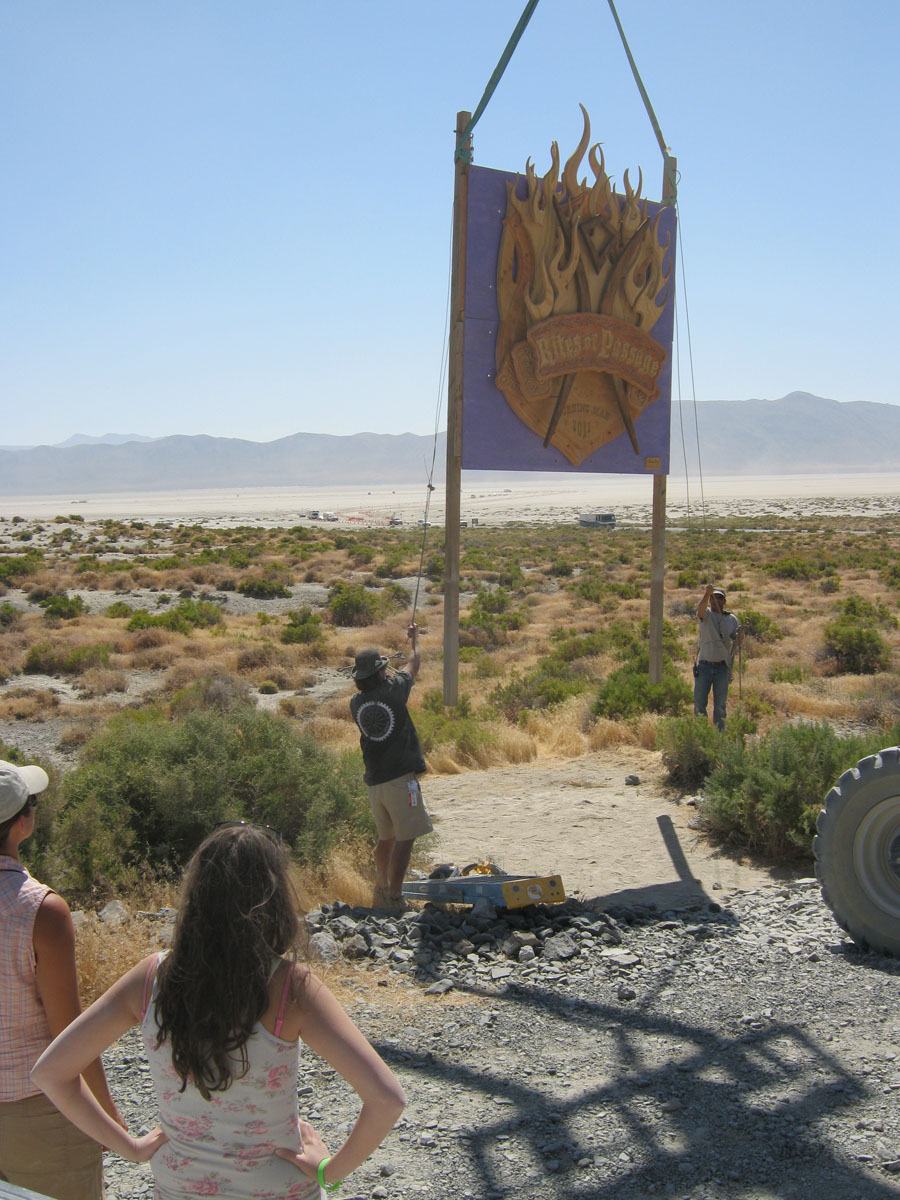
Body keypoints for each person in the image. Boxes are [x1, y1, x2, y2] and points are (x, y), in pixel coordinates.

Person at [33, 823, 406, 1198]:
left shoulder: (149, 978)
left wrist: (129, 1147)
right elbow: (387, 1099)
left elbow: (51, 1072)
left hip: (180, 1188)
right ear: (274, 895)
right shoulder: (290, 988)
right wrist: (329, 1171)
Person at [0, 758, 124, 1200]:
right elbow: (69, 1035)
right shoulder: (40, 911)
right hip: (38, 1114)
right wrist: (108, 1119)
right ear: (23, 824)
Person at [350, 621, 433, 909]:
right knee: (405, 839)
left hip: (375, 782)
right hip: (400, 779)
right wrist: (415, 639)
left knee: (386, 838)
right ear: (380, 672)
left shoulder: (355, 703)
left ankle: (380, 890)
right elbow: (414, 663)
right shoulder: (394, 690)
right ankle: (396, 897)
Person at [693, 585, 742, 732]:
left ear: (724, 601)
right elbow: (700, 611)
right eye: (713, 598)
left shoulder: (731, 619)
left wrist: (741, 635)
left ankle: (718, 736)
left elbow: (737, 641)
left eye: (719, 598)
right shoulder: (706, 614)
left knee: (720, 706)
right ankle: (701, 735)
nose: (716, 600)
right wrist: (706, 594)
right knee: (700, 703)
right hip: (704, 666)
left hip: (722, 667)